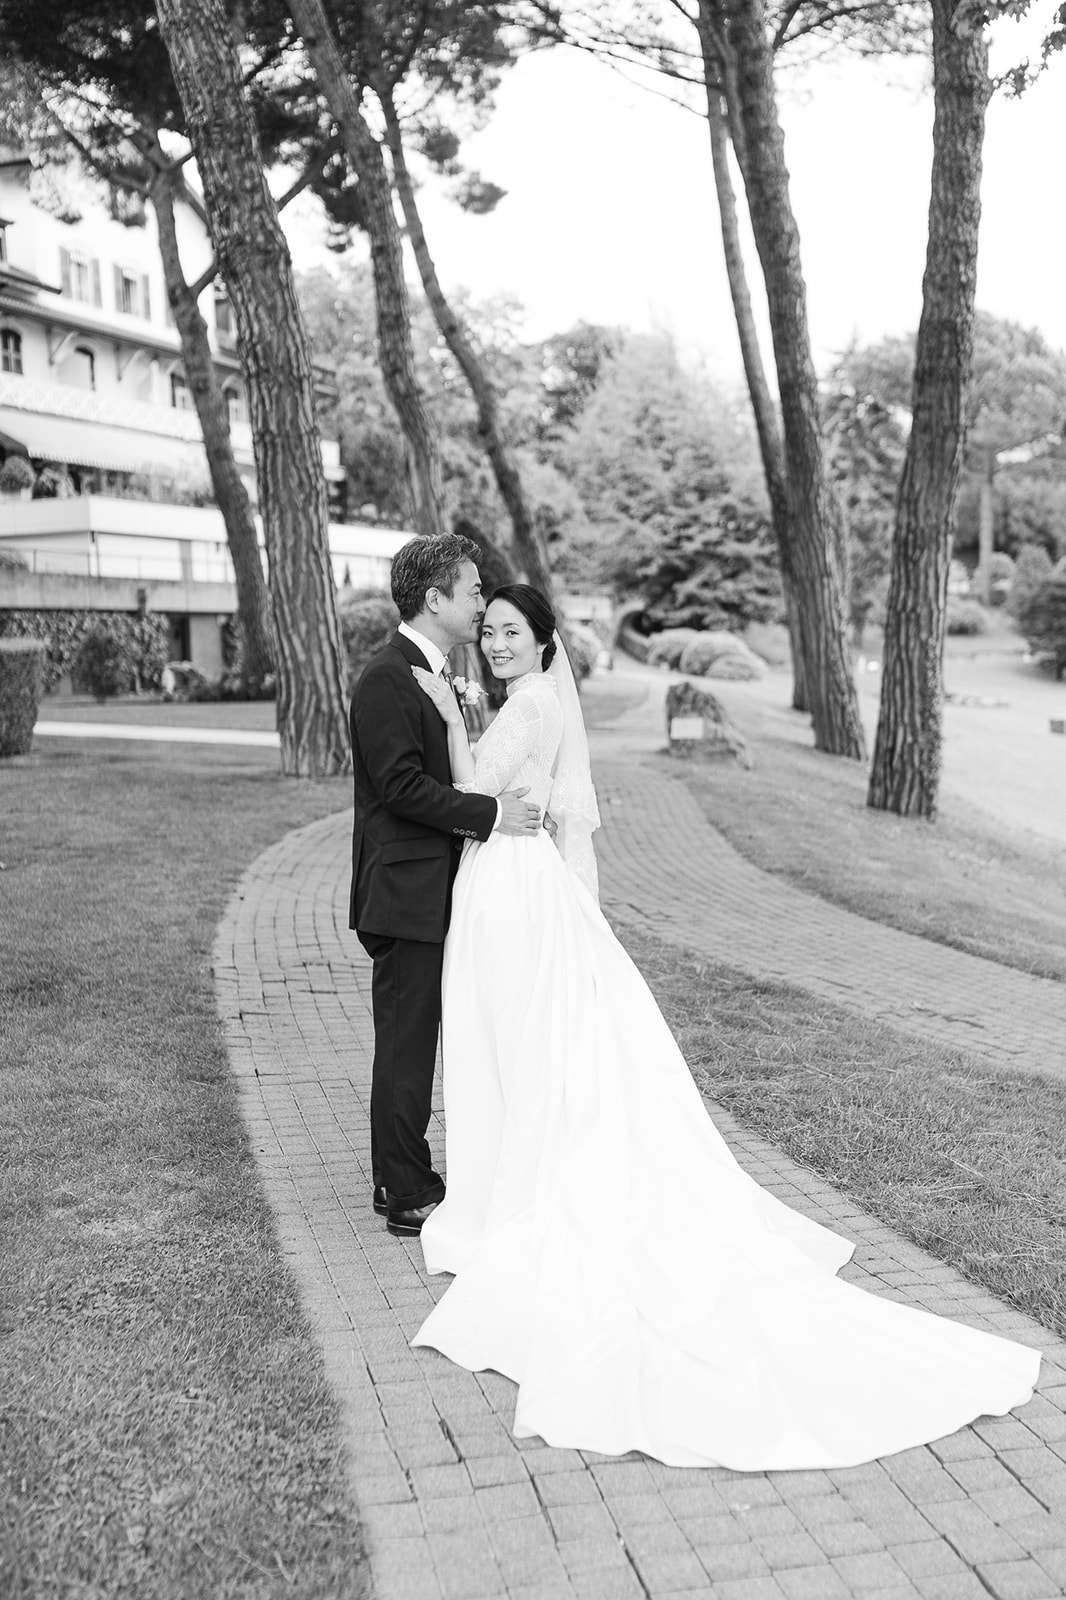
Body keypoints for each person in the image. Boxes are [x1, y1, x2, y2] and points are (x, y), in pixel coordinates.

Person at [406, 582, 1041, 1471]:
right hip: (523, 881)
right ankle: (521, 1157)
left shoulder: (527, 703)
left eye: (512, 631)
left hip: (511, 886)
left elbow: (470, 786)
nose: (497, 640)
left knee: (514, 1038)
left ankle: (514, 1181)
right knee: (532, 1040)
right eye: (489, 629)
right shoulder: (538, 701)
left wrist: (445, 715)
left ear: (544, 641)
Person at [348, 534, 541, 1240]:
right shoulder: (386, 678)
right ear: (436, 600)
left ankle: (396, 1176)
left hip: (432, 890)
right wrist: (489, 814)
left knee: (415, 1041)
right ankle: (406, 1190)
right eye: (472, 590)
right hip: (404, 895)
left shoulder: (425, 673)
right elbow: (399, 788)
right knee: (405, 1045)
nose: (482, 602)